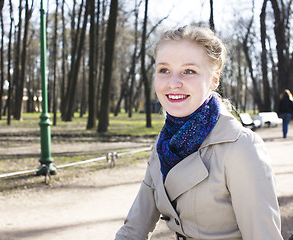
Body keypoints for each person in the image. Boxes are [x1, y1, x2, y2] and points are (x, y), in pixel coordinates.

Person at [115, 25, 283, 240]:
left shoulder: (240, 146)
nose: (173, 83)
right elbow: (133, 230)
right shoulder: (165, 143)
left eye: (189, 71)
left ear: (214, 80)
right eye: (164, 70)